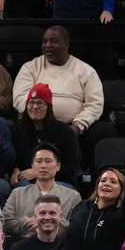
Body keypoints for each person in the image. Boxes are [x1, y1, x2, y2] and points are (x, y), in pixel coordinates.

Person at [12, 26, 112, 165]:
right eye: (45, 41)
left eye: (53, 41)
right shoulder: (30, 67)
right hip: (38, 125)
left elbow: (95, 104)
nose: (47, 45)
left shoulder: (86, 71)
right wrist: (42, 118)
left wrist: (78, 126)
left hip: (74, 128)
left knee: (104, 130)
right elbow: (19, 99)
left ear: (66, 44)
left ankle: (87, 174)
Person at [3, 142, 82, 237]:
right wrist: (25, 222)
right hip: (23, 242)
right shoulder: (17, 193)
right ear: (32, 166)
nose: (43, 166)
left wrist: (47, 223)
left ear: (58, 166)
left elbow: (76, 226)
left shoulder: (72, 196)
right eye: (39, 161)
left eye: (48, 161)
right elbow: (4, 221)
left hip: (58, 243)